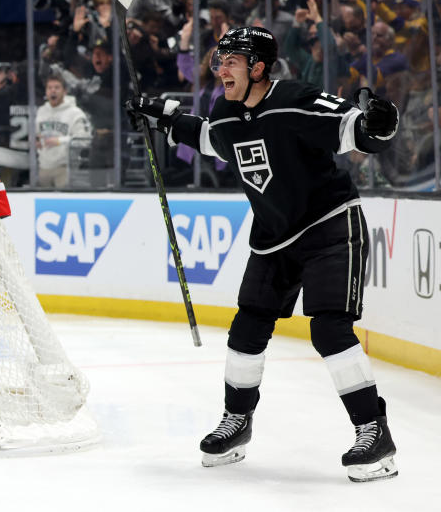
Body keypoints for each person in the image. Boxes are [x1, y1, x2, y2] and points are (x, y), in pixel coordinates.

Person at [126, 26, 400, 482]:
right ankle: (237, 423)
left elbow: (354, 128)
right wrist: (166, 116)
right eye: (219, 60)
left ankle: (374, 432)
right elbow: (214, 138)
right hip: (273, 235)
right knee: (246, 329)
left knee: (330, 330)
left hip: (329, 224)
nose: (221, 69)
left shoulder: (295, 99)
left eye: (231, 60)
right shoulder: (227, 112)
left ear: (258, 68)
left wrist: (377, 126)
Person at [35, 73, 92, 188]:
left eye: (57, 87)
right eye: (49, 88)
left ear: (65, 91)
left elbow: (85, 140)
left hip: (65, 167)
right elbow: (37, 135)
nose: (53, 91)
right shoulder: (41, 111)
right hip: (44, 167)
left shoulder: (75, 113)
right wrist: (36, 141)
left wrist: (60, 141)